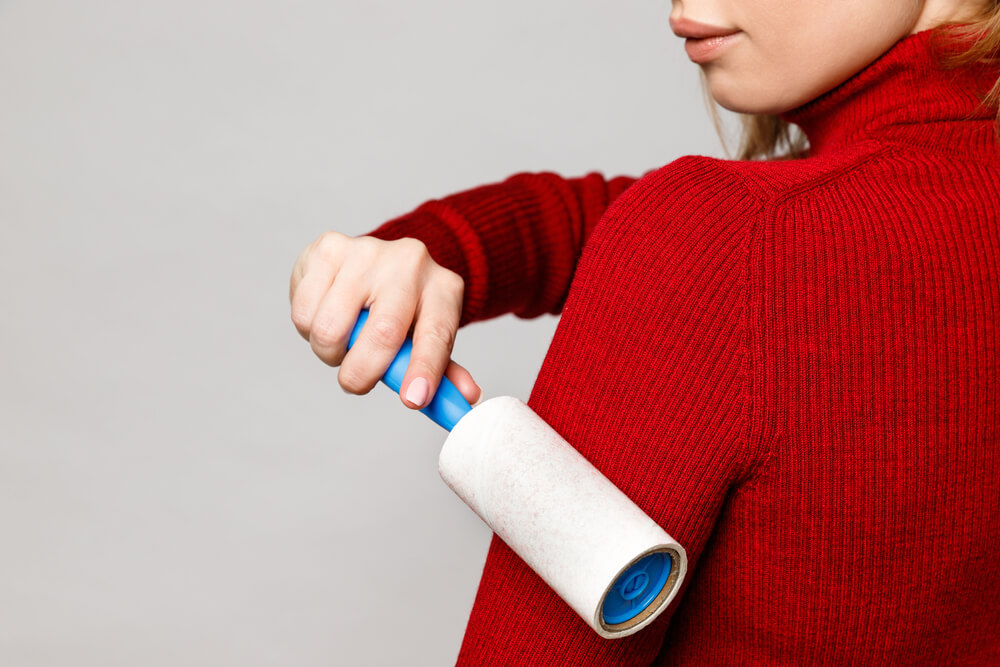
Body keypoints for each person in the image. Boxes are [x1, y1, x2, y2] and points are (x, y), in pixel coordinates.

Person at [289, 0, 1000, 663]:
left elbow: (699, 245)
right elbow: (606, 219)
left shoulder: (719, 245)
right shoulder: (751, 241)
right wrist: (443, 246)